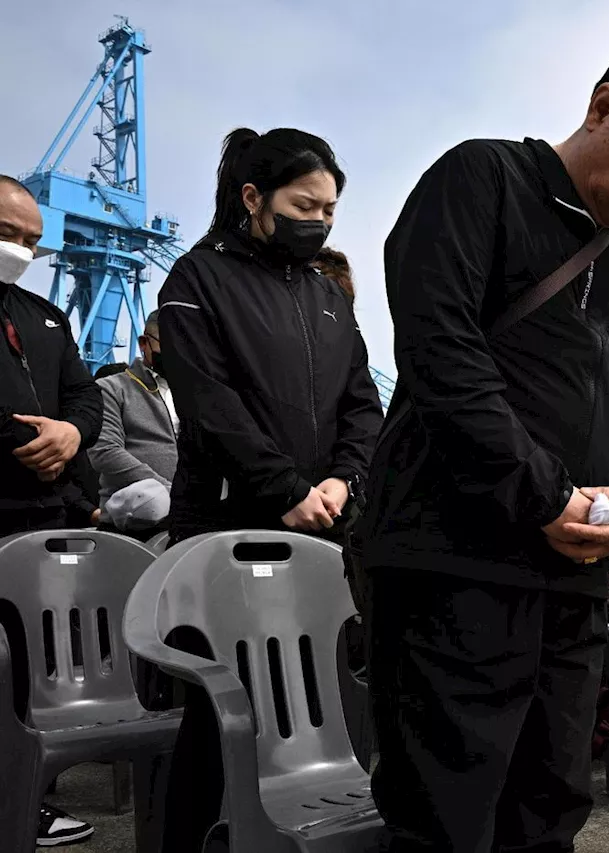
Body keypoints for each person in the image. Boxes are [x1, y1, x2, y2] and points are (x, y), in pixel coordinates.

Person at [353, 26, 609, 853]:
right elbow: (439, 353)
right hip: (450, 559)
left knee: (552, 799)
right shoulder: (481, 179)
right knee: (447, 804)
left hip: (573, 571)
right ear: (604, 106)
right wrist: (544, 493)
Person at [155, 128, 383, 851]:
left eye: (331, 209)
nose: (318, 220)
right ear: (254, 198)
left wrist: (343, 478)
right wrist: (284, 485)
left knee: (318, 695)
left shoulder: (325, 293)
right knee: (223, 711)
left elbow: (361, 402)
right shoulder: (196, 279)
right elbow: (208, 400)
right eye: (304, 203)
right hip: (229, 520)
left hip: (323, 522)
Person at [0, 174, 99, 846]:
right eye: (9, 234)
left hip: (43, 518)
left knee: (31, 669)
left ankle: (29, 799)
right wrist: (22, 440)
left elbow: (84, 398)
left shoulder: (49, 317)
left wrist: (71, 434)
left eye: (32, 240)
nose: (21, 249)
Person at [88, 310, 177, 538]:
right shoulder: (111, 388)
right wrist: (170, 490)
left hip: (193, 518)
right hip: (132, 521)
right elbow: (105, 452)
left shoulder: (198, 392)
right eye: (169, 344)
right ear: (143, 343)